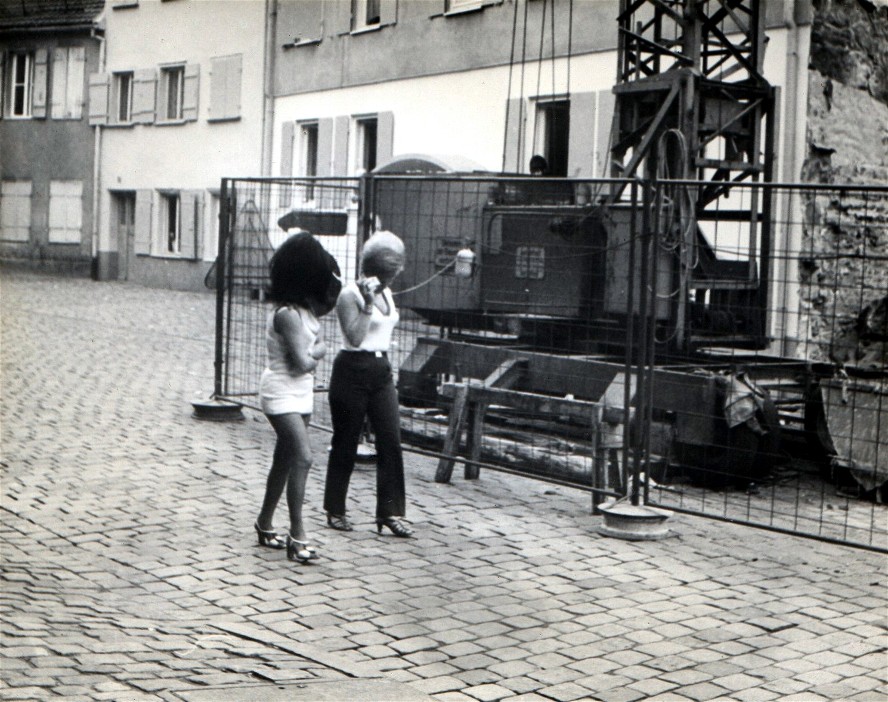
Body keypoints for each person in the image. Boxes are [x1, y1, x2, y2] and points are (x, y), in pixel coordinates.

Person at [255, 231, 342, 563]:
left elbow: (332, 294)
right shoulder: (287, 315)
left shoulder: (306, 310)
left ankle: (264, 523)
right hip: (281, 392)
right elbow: (302, 362)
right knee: (302, 457)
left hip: (300, 391)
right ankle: (297, 534)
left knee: (284, 459)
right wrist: (320, 350)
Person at [323, 231, 413, 538]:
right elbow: (355, 337)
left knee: (390, 438)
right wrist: (368, 304)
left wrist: (379, 296)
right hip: (352, 368)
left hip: (380, 369)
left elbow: (384, 329)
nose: (390, 281)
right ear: (373, 268)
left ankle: (390, 512)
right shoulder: (350, 295)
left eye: (393, 275)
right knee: (346, 440)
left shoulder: (387, 293)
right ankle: (335, 508)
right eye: (388, 275)